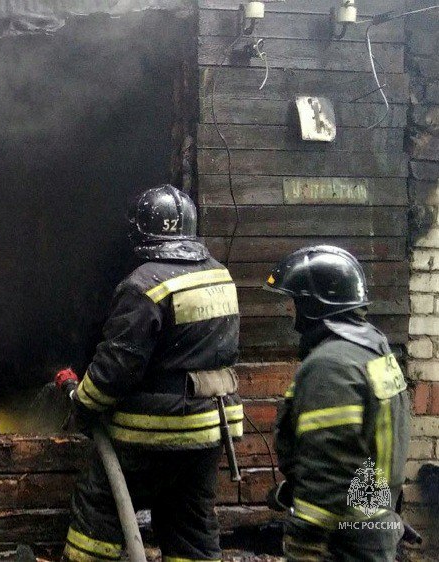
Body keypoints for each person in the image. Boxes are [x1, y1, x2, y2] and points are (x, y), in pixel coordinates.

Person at [55, 184, 241, 562]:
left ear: (140, 233)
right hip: (212, 426)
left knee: (99, 506)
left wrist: (83, 404)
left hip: (156, 429)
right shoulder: (219, 275)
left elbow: (116, 366)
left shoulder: (145, 285)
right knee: (189, 521)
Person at [264, 246, 410, 561]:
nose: (290, 311)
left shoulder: (332, 364)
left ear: (312, 304)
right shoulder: (373, 348)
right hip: (374, 523)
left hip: (341, 539)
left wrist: (305, 536)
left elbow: (329, 466)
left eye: (294, 301)